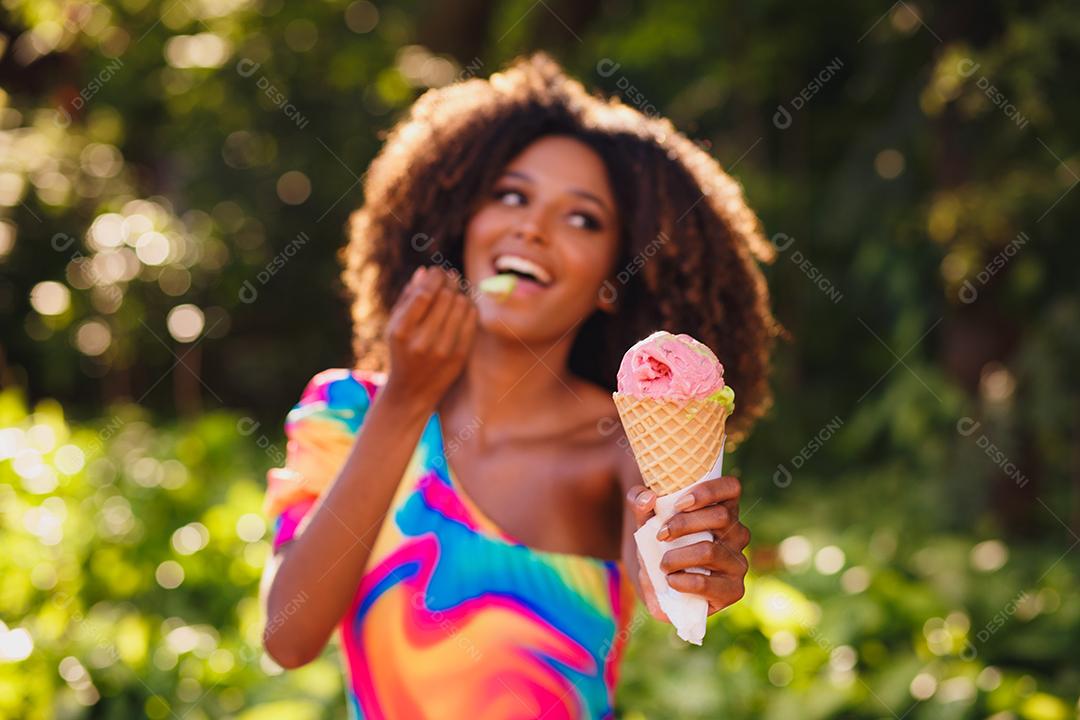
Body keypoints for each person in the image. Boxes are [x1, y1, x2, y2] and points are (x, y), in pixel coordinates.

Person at [259, 51, 778, 719]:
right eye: (511, 196)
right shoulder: (349, 411)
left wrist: (699, 565)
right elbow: (287, 638)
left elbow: (665, 570)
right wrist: (408, 397)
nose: (531, 227)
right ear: (462, 226)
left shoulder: (615, 442)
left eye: (581, 218)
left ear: (611, 285)